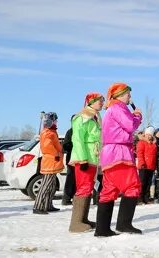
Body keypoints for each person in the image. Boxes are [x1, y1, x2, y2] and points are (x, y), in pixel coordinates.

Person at [95, 83, 143, 237]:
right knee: (132, 186)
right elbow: (130, 125)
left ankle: (102, 228)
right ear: (120, 95)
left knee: (109, 189)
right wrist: (137, 116)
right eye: (128, 93)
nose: (130, 96)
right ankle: (124, 224)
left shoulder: (111, 108)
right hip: (119, 152)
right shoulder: (119, 107)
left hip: (110, 152)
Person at [68, 93, 104, 233]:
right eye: (99, 101)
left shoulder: (95, 117)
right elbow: (77, 139)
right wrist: (82, 159)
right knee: (83, 187)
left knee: (88, 187)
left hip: (93, 158)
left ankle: (83, 219)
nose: (102, 103)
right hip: (85, 159)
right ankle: (76, 223)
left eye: (102, 100)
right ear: (91, 102)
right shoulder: (82, 117)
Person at [33, 112, 64, 215]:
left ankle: (48, 205)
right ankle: (38, 206)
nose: (56, 122)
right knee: (46, 185)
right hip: (50, 161)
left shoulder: (51, 131)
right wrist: (56, 154)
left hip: (53, 161)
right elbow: (47, 146)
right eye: (55, 120)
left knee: (51, 185)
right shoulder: (47, 132)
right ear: (51, 121)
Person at [136, 126, 157, 205]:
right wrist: (141, 163)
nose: (149, 136)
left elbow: (154, 156)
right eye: (148, 134)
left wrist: (154, 166)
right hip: (143, 166)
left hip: (151, 166)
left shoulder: (153, 145)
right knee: (142, 182)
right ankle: (139, 198)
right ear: (145, 134)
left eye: (151, 135)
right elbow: (139, 153)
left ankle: (146, 198)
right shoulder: (141, 142)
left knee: (149, 183)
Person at [61, 124, 75, 206]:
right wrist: (73, 146)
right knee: (70, 179)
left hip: (77, 159)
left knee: (75, 180)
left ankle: (73, 197)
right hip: (71, 159)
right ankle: (66, 198)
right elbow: (66, 146)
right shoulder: (70, 132)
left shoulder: (78, 130)